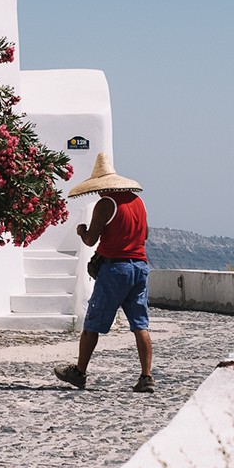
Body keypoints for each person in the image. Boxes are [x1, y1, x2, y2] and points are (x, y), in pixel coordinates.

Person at [54, 153, 154, 392]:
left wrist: (81, 231)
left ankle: (79, 372)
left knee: (93, 323)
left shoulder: (105, 204)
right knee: (140, 324)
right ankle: (146, 377)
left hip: (115, 269)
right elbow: (146, 234)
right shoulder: (138, 202)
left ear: (102, 186)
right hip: (140, 267)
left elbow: (90, 240)